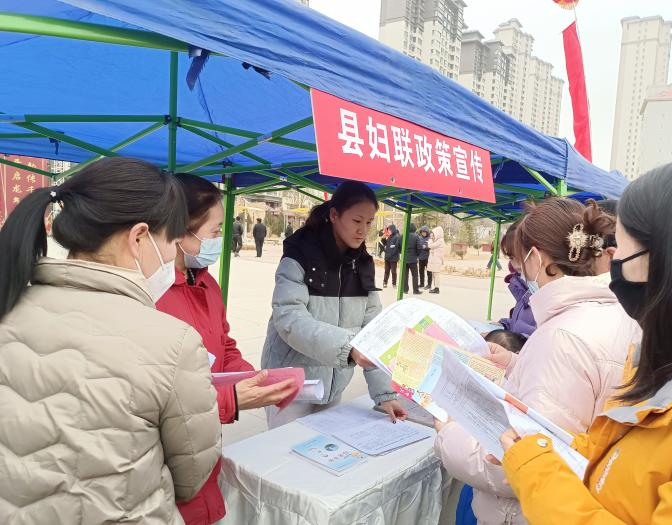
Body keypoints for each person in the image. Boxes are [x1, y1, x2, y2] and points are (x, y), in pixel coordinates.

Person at [0, 157, 221, 523]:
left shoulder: (9, 308)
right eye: (171, 239)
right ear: (139, 238)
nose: (172, 255)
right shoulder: (172, 342)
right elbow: (190, 477)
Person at [496, 158, 672, 524]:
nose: (612, 263)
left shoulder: (564, 336)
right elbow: (616, 453)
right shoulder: (665, 362)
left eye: (622, 250)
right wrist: (542, 449)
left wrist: (536, 469)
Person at [434, 197, 639, 525]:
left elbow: (523, 465)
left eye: (518, 260)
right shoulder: (618, 314)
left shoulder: (562, 336)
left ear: (536, 257)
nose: (518, 270)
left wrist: (448, 432)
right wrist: (515, 364)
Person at [157, 173, 298, 525]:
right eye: (215, 231)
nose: (220, 240)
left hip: (204, 445)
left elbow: (225, 345)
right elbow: (158, 395)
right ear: (180, 232)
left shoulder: (207, 283)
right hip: (165, 462)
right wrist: (230, 399)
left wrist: (252, 379)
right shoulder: (152, 295)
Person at [261, 180, 406, 428]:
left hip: (333, 385)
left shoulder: (362, 264)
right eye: (357, 220)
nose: (363, 230)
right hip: (290, 385)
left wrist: (385, 395)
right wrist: (349, 348)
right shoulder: (299, 255)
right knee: (288, 448)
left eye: (369, 223)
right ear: (334, 215)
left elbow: (373, 333)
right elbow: (289, 318)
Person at [498, 218, 537, 338]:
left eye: (520, 256)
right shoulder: (524, 288)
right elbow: (520, 324)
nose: (516, 265)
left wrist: (509, 343)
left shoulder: (549, 299)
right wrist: (504, 327)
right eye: (511, 257)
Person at [402, 223, 422, 295]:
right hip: (413, 259)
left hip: (405, 259)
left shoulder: (404, 235)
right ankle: (415, 290)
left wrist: (402, 253)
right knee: (415, 275)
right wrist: (417, 254)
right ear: (414, 229)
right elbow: (419, 247)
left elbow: (399, 245)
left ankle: (405, 290)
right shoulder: (416, 236)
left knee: (405, 275)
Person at [427, 226, 445, 294]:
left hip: (437, 261)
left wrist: (430, 239)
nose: (433, 235)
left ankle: (437, 289)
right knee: (434, 274)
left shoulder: (440, 241)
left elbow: (430, 246)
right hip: (436, 261)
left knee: (436, 275)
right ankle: (436, 288)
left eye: (434, 234)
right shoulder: (438, 240)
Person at [383, 224, 401, 288]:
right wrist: (383, 238)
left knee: (393, 272)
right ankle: (385, 282)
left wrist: (390, 255)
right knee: (386, 271)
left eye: (389, 230)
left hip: (393, 258)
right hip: (387, 258)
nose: (388, 231)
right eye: (388, 230)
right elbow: (385, 244)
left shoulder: (397, 237)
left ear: (393, 230)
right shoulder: (389, 237)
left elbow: (396, 248)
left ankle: (394, 284)